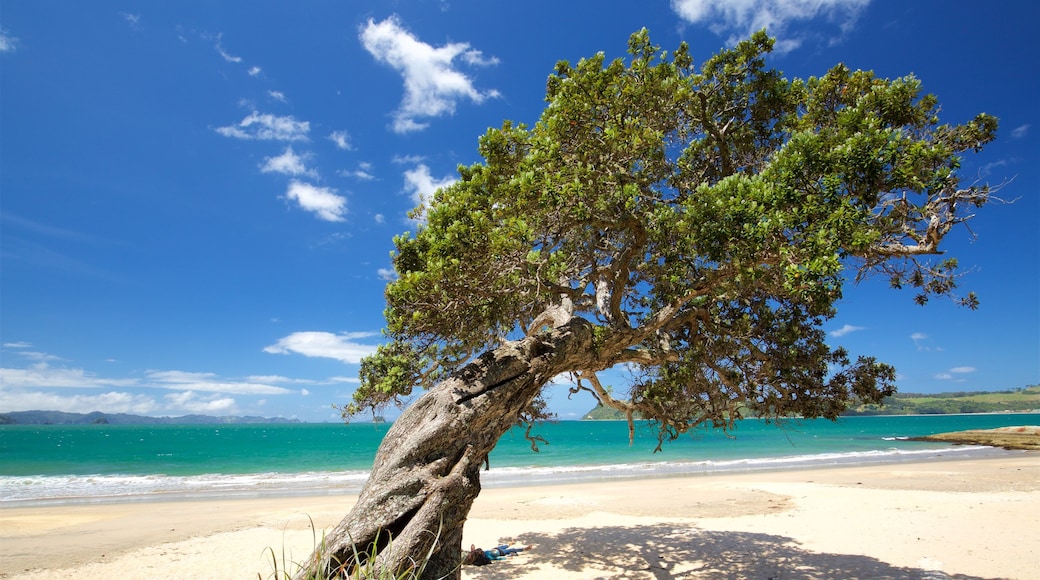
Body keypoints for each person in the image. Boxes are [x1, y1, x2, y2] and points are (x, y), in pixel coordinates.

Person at [463, 543, 534, 566]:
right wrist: (507, 558)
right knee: (510, 550)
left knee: (505, 547)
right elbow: (498, 558)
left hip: (495, 549)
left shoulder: (482, 554)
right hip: (499, 552)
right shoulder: (488, 556)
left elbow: (477, 552)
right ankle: (524, 549)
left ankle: (510, 543)